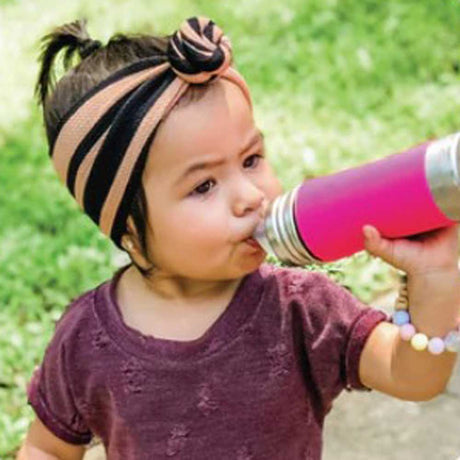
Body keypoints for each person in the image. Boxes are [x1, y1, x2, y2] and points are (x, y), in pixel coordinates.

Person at [17, 16, 460, 460]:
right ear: (128, 229)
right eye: (204, 186)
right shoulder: (86, 340)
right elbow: (47, 448)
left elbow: (413, 377)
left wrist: (436, 280)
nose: (250, 197)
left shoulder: (300, 308)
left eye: (251, 159)